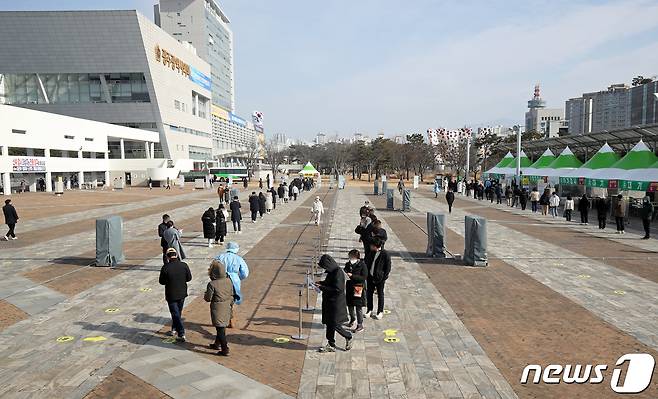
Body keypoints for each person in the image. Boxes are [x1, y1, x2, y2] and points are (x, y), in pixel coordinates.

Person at [315, 254, 353, 352]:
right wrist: (321, 283)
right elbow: (330, 283)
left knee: (335, 323)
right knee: (329, 323)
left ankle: (348, 336)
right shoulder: (332, 272)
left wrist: (322, 288)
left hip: (336, 304)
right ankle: (330, 343)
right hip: (329, 303)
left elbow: (337, 289)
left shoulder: (338, 272)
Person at [159, 248, 192, 341]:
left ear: (167, 257)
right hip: (182, 293)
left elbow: (161, 281)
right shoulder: (184, 265)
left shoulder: (165, 267)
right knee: (178, 312)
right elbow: (189, 278)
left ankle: (181, 333)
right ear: (176, 255)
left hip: (171, 294)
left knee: (175, 313)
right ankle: (174, 329)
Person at [215, 242, 249, 328]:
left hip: (221, 279)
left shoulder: (219, 257)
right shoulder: (239, 258)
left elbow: (213, 268)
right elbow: (245, 273)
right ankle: (230, 317)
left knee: (222, 299)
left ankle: (224, 318)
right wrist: (238, 277)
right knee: (232, 299)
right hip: (234, 280)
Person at [204, 259, 234, 356]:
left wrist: (205, 294)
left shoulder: (212, 284)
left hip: (217, 308)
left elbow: (208, 298)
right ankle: (216, 344)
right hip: (227, 306)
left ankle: (225, 348)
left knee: (220, 329)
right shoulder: (229, 280)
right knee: (221, 327)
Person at [364, 237, 391, 320]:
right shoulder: (370, 252)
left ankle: (380, 311)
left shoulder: (385, 254)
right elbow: (366, 261)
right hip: (370, 276)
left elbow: (388, 267)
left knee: (380, 294)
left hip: (380, 278)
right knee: (369, 293)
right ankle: (369, 309)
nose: (370, 246)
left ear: (375, 246)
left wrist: (383, 277)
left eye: (371, 245)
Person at [344, 249, 367, 333]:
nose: (350, 258)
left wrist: (352, 276)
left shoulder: (362, 265)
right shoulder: (348, 264)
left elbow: (363, 277)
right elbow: (345, 271)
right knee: (350, 304)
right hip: (349, 286)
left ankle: (360, 324)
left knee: (358, 306)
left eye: (351, 257)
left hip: (358, 287)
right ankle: (352, 319)